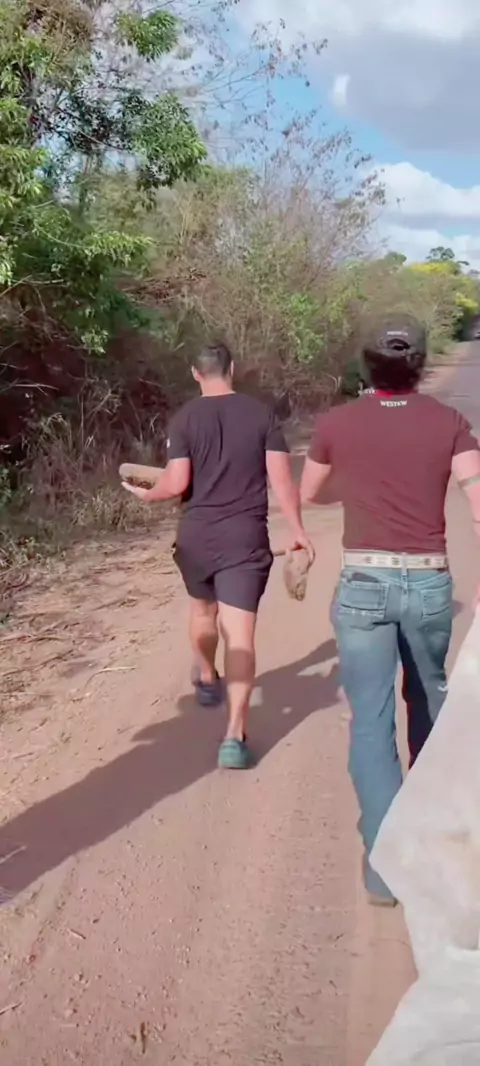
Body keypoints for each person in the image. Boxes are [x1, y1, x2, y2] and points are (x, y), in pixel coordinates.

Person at [300, 314, 480, 906]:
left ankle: (385, 869)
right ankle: (431, 848)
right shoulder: (450, 424)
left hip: (364, 583)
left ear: (367, 365)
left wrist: (352, 482)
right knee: (428, 706)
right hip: (428, 583)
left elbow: (312, 492)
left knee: (371, 723)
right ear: (420, 364)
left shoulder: (337, 424)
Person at [123, 343, 314, 770]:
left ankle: (207, 674)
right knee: (241, 637)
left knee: (202, 611)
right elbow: (282, 481)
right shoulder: (261, 415)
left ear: (195, 373)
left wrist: (148, 494)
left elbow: (176, 483)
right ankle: (233, 737)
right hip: (244, 538)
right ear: (233, 368)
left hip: (196, 536)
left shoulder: (184, 419)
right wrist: (298, 532)